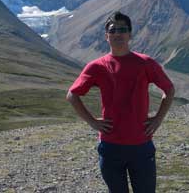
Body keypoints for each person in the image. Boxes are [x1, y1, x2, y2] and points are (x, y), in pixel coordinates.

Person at [66, 11, 175, 193]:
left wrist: (158, 119)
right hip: (110, 146)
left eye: (123, 29)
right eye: (113, 30)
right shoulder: (97, 66)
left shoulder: (145, 63)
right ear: (106, 36)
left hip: (141, 145)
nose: (118, 33)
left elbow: (169, 90)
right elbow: (72, 95)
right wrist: (92, 121)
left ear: (130, 34)